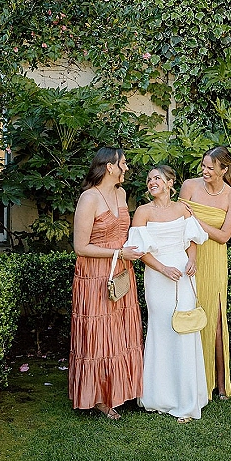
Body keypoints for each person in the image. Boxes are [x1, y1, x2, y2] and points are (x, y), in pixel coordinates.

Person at [125, 165, 209, 422]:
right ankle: (159, 396)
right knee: (162, 329)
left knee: (184, 330)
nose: (152, 182)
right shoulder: (142, 212)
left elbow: (192, 239)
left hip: (183, 275)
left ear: (171, 182)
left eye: (158, 178)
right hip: (158, 276)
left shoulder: (183, 209)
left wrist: (191, 260)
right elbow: (139, 250)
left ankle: (187, 399)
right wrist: (162, 268)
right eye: (149, 179)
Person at [68, 147, 145, 420]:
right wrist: (117, 253)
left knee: (120, 331)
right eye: (123, 163)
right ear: (109, 167)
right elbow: (80, 246)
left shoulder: (122, 194)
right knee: (99, 333)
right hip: (95, 274)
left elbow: (125, 233)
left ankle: (123, 390)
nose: (126, 168)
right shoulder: (89, 198)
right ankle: (99, 397)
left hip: (121, 270)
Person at [179, 146, 231, 401]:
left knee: (214, 320)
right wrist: (191, 225)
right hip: (189, 254)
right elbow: (180, 223)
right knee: (188, 312)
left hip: (215, 260)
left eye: (210, 167)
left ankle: (218, 385)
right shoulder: (189, 187)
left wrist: (196, 221)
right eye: (203, 166)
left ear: (223, 170)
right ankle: (191, 381)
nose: (204, 171)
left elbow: (224, 236)